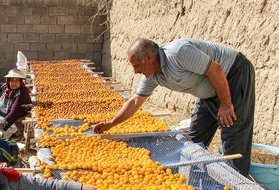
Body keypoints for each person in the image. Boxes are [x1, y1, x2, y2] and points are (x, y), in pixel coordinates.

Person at [94, 38, 255, 176]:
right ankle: (197, 180)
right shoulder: (152, 75)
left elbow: (215, 69)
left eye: (136, 65)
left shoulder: (179, 53)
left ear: (149, 58)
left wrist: (226, 104)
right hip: (209, 91)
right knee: (193, 140)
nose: (135, 71)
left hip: (232, 75)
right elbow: (135, 101)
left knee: (233, 138)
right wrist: (111, 124)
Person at [0, 68, 32, 139]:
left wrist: (0, 126)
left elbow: (13, 113)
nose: (14, 83)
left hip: (12, 120)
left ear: (20, 82)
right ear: (8, 81)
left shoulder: (22, 93)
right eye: (12, 80)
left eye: (17, 80)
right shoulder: (4, 87)